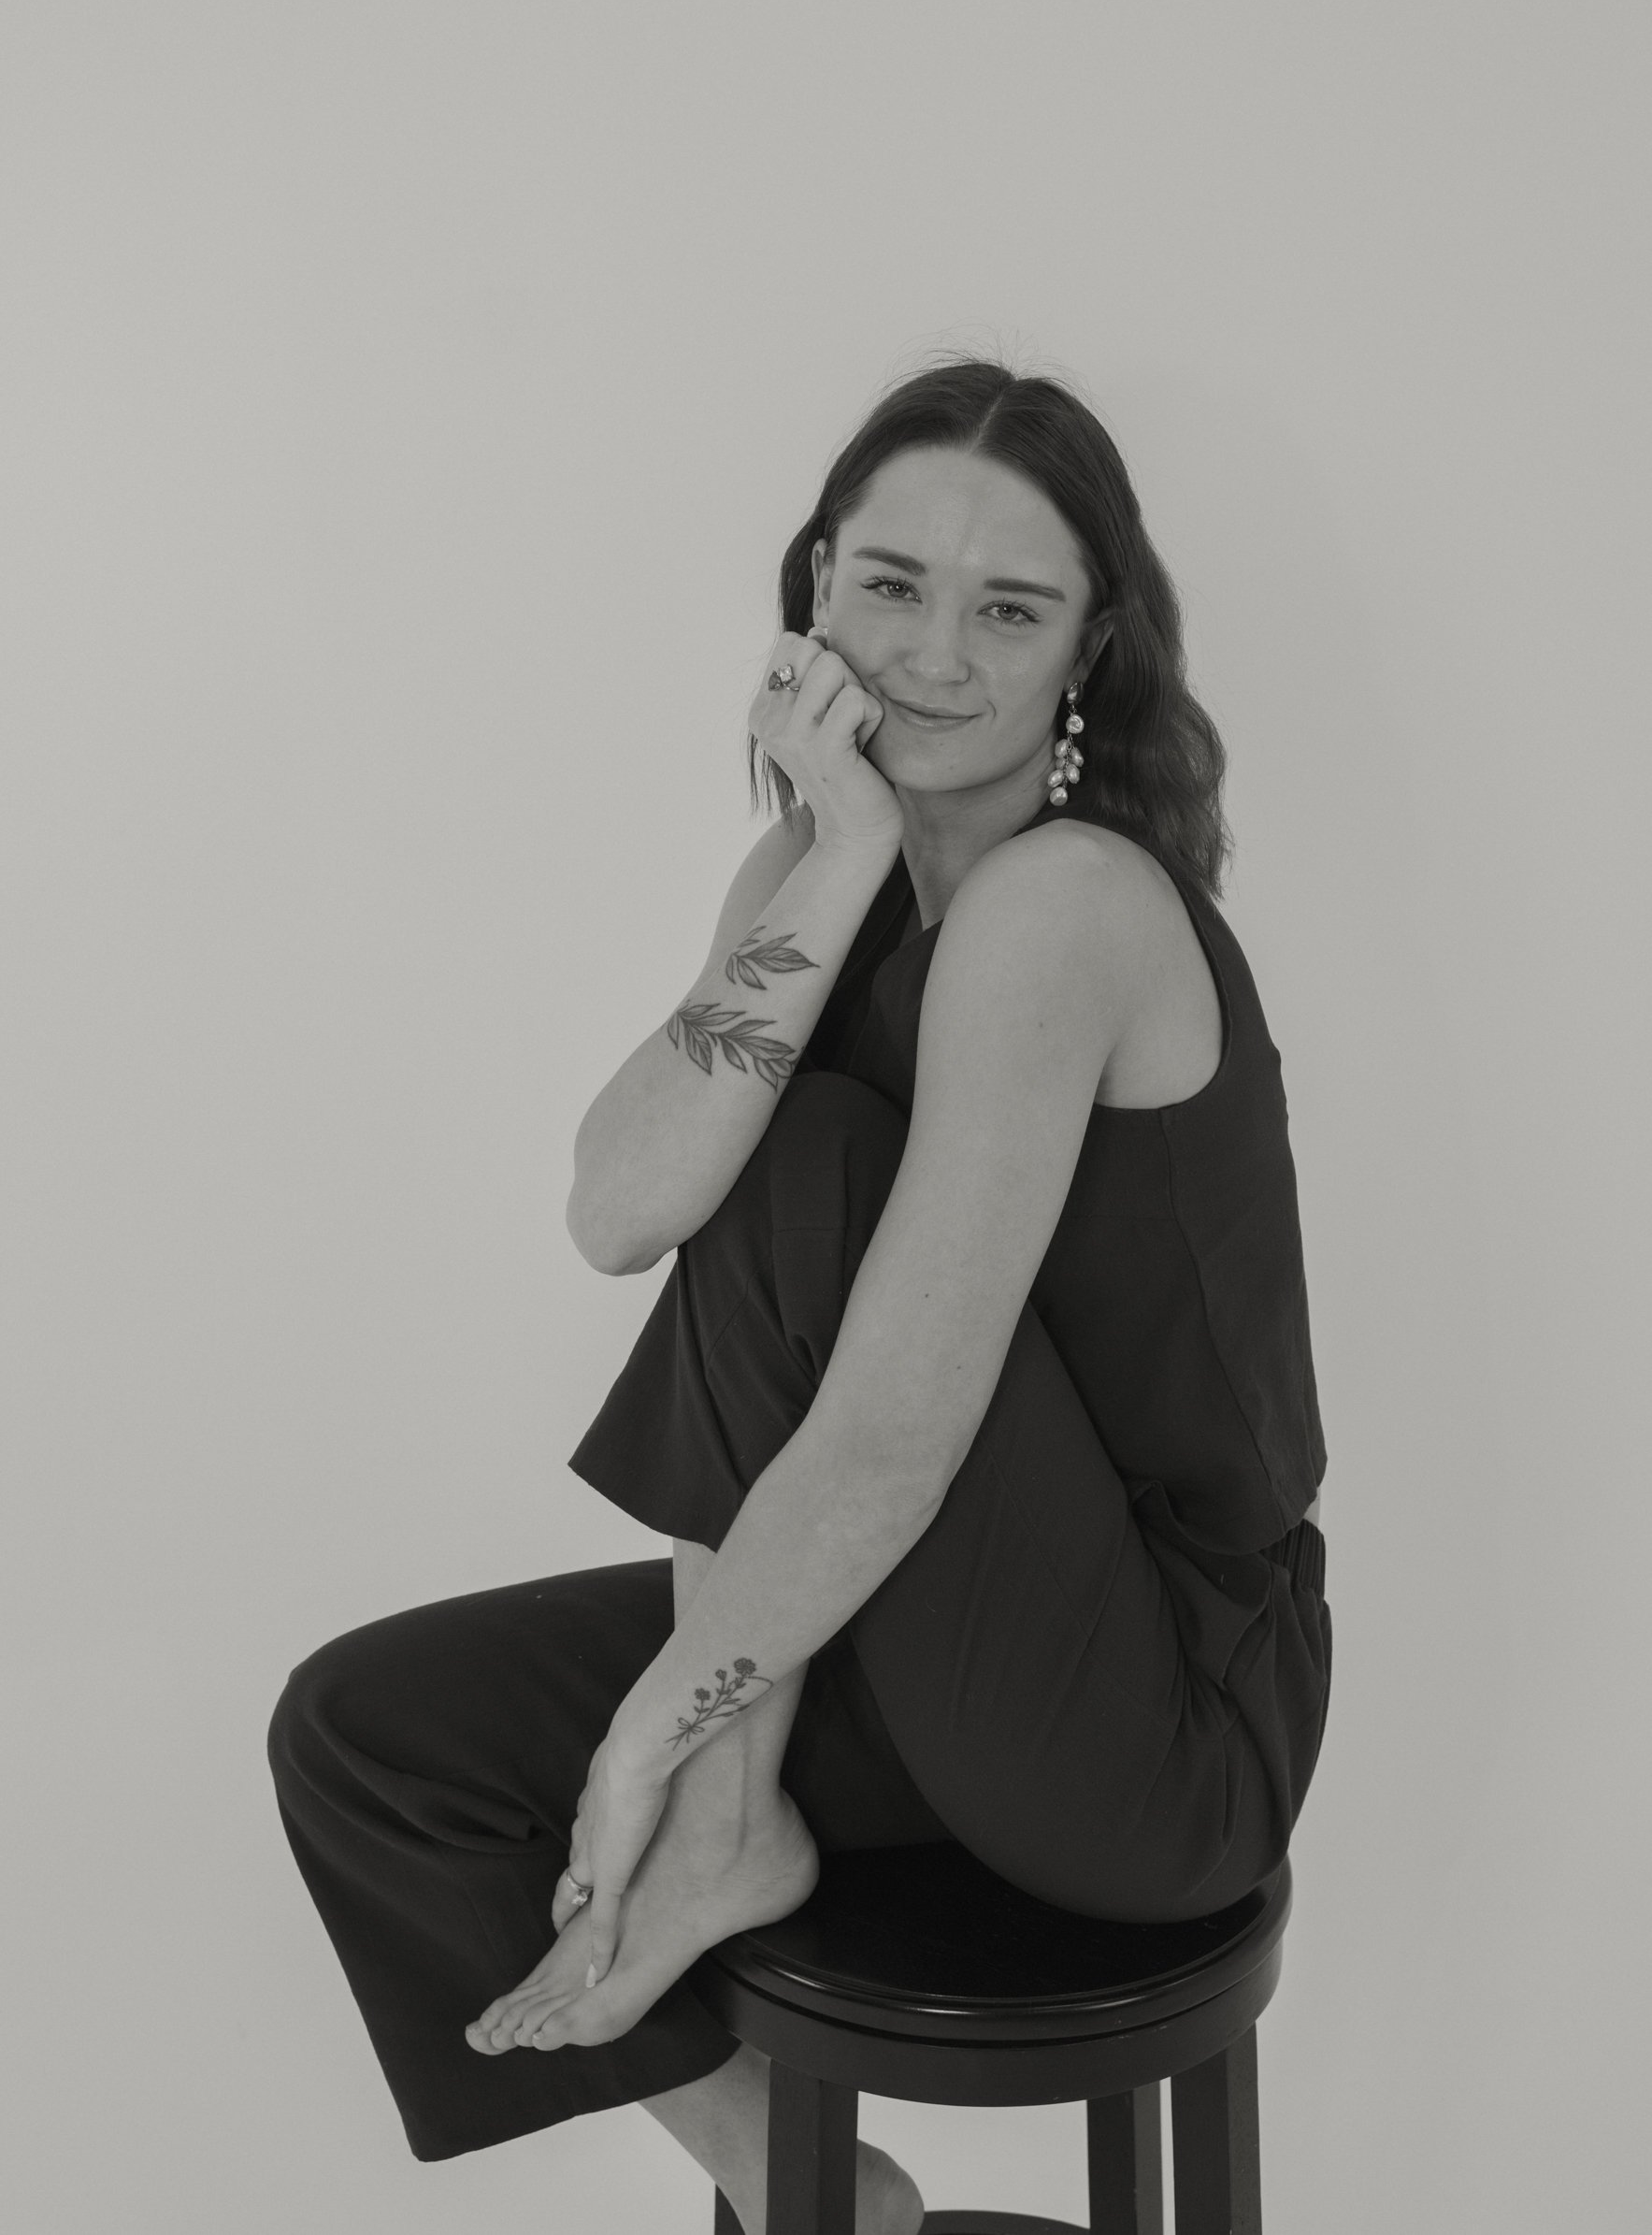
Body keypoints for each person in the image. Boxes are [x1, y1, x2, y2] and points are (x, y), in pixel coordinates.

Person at [267, 356, 1331, 2233]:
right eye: (886, 584)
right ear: (810, 590)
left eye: (1008, 608)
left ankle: (735, 1801)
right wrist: (830, 846)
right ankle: (812, 2186)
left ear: (1088, 652)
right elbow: (617, 1203)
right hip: (925, 1645)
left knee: (803, 1162)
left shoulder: (1063, 905)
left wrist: (665, 1717)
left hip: (1151, 1726)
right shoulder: (823, 870)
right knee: (375, 1737)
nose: (931, 650)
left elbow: (894, 1429)